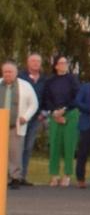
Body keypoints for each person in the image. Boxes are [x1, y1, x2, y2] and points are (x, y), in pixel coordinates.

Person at [41, 55, 80, 187]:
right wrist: (54, 112)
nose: (64, 65)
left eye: (65, 63)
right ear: (56, 65)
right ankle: (54, 174)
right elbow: (46, 99)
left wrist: (65, 109)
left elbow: (77, 97)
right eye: (61, 63)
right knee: (55, 145)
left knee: (69, 145)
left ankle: (67, 174)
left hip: (70, 113)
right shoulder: (50, 81)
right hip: (54, 114)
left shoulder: (73, 79)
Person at [3, 61, 39, 188]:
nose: (8, 74)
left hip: (16, 125)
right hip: (1, 125)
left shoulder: (25, 86)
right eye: (5, 71)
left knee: (15, 152)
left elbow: (34, 103)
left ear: (16, 73)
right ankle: (3, 177)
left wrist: (26, 117)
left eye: (10, 72)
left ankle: (15, 178)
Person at [17, 52, 45, 185]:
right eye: (33, 61)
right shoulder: (20, 78)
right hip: (20, 118)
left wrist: (43, 113)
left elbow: (46, 98)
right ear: (28, 63)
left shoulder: (44, 80)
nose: (35, 63)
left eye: (38, 61)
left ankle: (23, 175)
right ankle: (13, 175)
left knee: (28, 147)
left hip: (35, 118)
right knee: (17, 147)